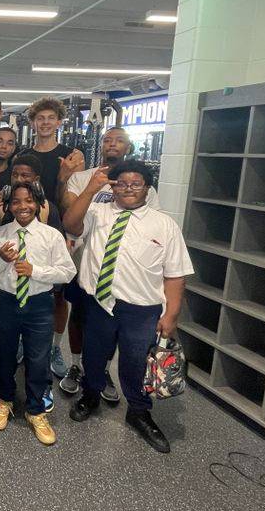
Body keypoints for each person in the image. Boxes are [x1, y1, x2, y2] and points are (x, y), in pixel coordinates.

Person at [63, 160, 192, 454]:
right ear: (113, 186)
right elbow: (70, 224)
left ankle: (139, 410)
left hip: (141, 308)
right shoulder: (97, 212)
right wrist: (91, 189)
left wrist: (171, 315)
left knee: (135, 362)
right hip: (98, 303)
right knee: (94, 356)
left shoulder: (164, 224)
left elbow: (175, 274)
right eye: (122, 183)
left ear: (147, 188)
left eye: (136, 183)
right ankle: (91, 394)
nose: (129, 188)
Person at [58, 127, 162, 401]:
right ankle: (77, 365)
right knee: (80, 317)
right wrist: (91, 187)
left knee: (111, 325)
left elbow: (151, 222)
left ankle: (102, 370)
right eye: (107, 139)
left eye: (119, 140)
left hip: (122, 270)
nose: (112, 144)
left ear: (128, 146)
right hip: (85, 262)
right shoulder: (83, 178)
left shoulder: (141, 186)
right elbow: (71, 214)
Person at [0, 182, 76, 446]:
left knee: (38, 357)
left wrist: (35, 271)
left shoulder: (51, 236)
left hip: (38, 304)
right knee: (4, 352)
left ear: (39, 204)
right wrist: (1, 260)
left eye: (28, 201)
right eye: (16, 201)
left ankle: (36, 409)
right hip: (6, 301)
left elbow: (67, 271)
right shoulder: (0, 234)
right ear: (8, 205)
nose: (22, 206)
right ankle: (4, 399)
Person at [18, 97, 84, 202]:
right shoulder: (20, 157)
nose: (45, 122)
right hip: (28, 214)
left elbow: (75, 199)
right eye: (40, 118)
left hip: (59, 216)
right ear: (32, 123)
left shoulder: (72, 156)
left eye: (51, 118)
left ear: (58, 123)